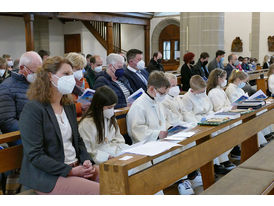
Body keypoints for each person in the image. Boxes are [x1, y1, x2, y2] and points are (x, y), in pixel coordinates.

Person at [19, 56, 99, 195]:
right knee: (101, 191)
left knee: (118, 178)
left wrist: (86, 161)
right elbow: (35, 155)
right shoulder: (33, 109)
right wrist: (71, 171)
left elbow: (77, 140)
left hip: (75, 165)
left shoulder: (68, 105)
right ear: (50, 76)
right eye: (66, 74)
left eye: (72, 74)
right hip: (49, 175)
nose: (71, 78)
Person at [78, 86, 129, 164]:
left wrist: (119, 148)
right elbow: (88, 150)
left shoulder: (110, 118)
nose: (111, 110)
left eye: (113, 107)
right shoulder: (86, 124)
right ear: (99, 106)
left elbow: (118, 138)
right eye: (109, 107)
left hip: (114, 152)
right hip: (99, 159)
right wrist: (106, 156)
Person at [0, 51, 42, 137]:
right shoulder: (6, 88)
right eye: (34, 72)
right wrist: (33, 130)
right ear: (22, 68)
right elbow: (7, 122)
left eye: (40, 72)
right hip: (22, 136)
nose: (37, 75)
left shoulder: (38, 84)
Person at [65, 52, 90, 117]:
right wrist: (80, 106)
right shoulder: (64, 84)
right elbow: (64, 108)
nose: (80, 71)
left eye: (82, 69)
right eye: (77, 69)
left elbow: (88, 98)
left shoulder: (84, 81)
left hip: (83, 116)